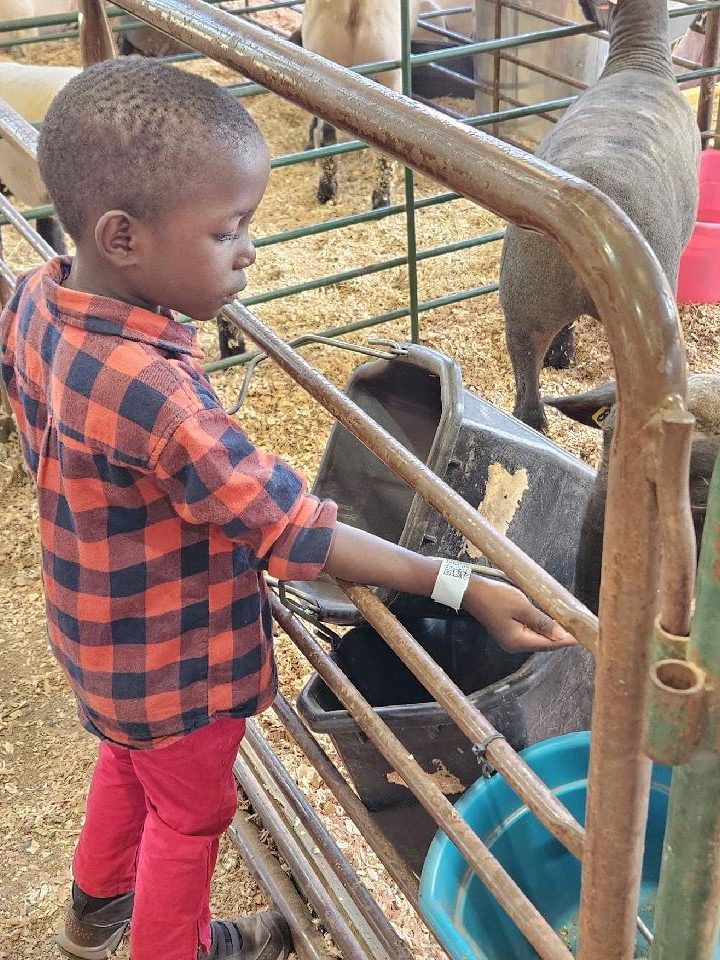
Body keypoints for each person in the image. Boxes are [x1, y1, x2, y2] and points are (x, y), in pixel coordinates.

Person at [0, 57, 575, 960]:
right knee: (193, 820)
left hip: (95, 636)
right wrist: (456, 583)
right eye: (228, 231)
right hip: (177, 667)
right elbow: (291, 530)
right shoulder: (164, 401)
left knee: (126, 761)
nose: (251, 252)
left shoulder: (38, 298)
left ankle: (93, 912)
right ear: (123, 238)